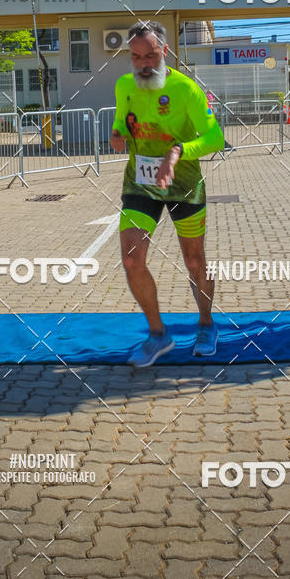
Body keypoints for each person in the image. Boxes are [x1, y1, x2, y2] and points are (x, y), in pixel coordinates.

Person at [110, 20, 225, 368]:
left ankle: (206, 324)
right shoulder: (125, 85)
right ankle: (159, 335)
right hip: (140, 184)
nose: (143, 64)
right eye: (135, 57)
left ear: (166, 51)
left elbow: (215, 138)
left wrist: (177, 152)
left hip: (183, 183)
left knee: (194, 261)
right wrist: (117, 134)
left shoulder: (187, 90)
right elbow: (120, 120)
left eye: (151, 55)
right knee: (131, 259)